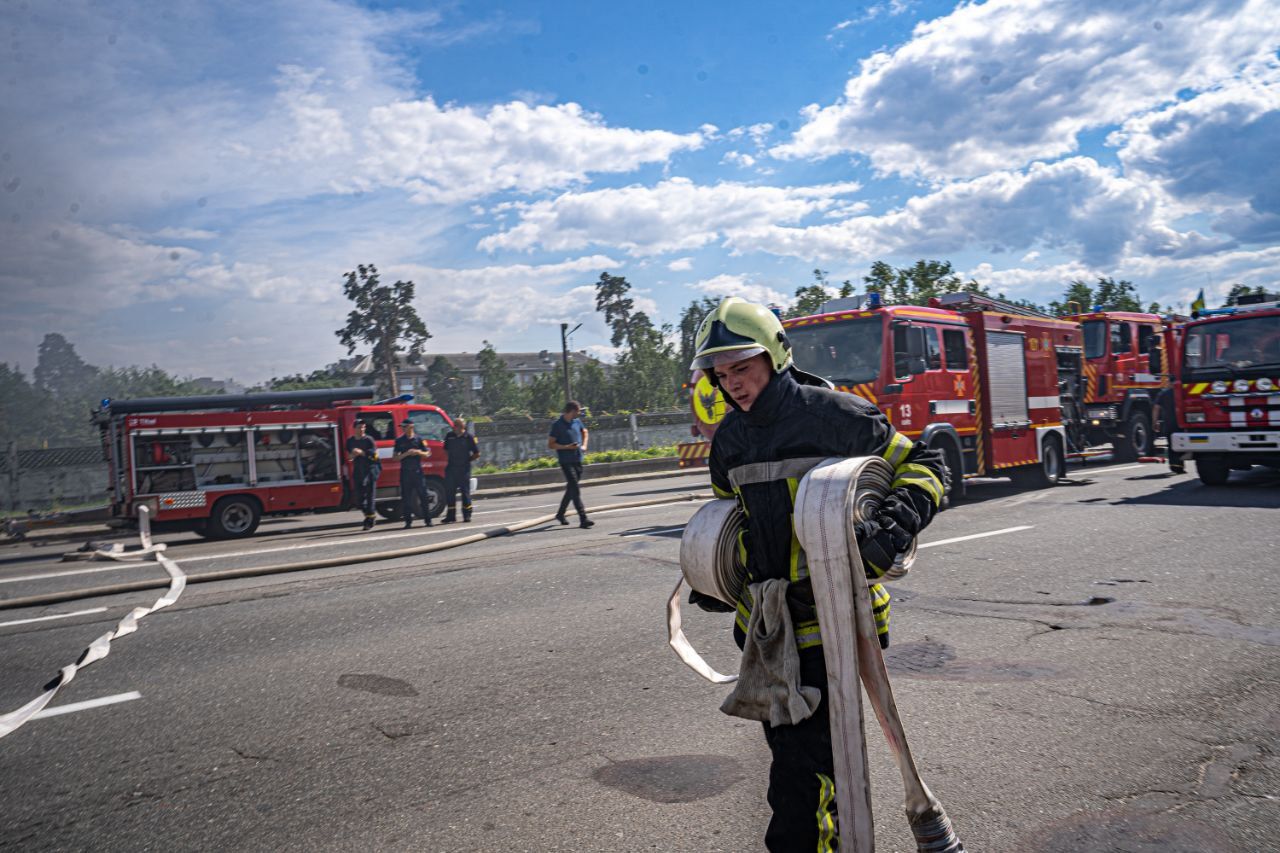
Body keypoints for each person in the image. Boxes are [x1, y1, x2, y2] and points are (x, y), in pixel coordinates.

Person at [692, 296, 947, 852]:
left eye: (742, 367)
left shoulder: (835, 415)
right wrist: (717, 578)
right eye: (721, 373)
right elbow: (731, 520)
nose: (732, 383)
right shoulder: (729, 442)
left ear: (774, 356)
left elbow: (926, 465)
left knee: (799, 782)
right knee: (804, 763)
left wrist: (891, 529)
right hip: (769, 631)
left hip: (837, 621)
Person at [547, 401, 594, 528]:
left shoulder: (577, 422)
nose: (579, 414)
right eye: (577, 411)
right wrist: (566, 447)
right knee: (574, 487)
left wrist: (584, 445)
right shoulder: (557, 425)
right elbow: (551, 444)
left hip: (577, 459)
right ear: (572, 411)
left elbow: (585, 431)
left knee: (571, 489)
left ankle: (560, 514)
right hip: (565, 461)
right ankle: (583, 518)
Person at [393, 418, 433, 528]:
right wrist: (406, 454)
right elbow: (395, 458)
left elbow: (428, 454)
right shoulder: (399, 441)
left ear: (411, 427)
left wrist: (418, 452)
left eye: (405, 427)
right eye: (402, 427)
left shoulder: (419, 439)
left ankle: (428, 520)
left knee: (423, 496)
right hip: (405, 472)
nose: (403, 429)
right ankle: (408, 522)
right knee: (406, 498)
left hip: (417, 472)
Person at [441, 418, 480, 523]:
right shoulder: (450, 436)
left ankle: (467, 515)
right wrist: (452, 459)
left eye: (456, 425)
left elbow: (477, 453)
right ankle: (451, 516)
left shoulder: (469, 437)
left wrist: (467, 460)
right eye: (454, 425)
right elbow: (445, 450)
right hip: (451, 468)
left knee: (465, 492)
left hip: (464, 469)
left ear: (461, 427)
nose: (453, 427)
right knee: (449, 492)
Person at [346, 419, 381, 530]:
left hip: (370, 469)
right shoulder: (350, 441)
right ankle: (371, 515)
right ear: (354, 428)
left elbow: (375, 456)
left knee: (370, 496)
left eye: (363, 427)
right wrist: (352, 455)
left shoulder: (369, 440)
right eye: (359, 427)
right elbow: (349, 457)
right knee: (358, 498)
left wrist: (362, 453)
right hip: (358, 470)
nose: (361, 429)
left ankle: (369, 521)